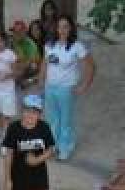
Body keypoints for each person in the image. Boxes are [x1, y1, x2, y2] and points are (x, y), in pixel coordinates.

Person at [40, 15, 96, 161]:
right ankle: (53, 146)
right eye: (60, 26)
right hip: (50, 87)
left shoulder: (77, 46)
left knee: (66, 120)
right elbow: (44, 64)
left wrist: (84, 86)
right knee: (52, 119)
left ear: (70, 28)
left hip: (67, 88)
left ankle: (65, 147)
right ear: (56, 28)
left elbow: (91, 66)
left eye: (66, 26)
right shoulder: (50, 45)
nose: (62, 30)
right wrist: (41, 83)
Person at [10, 19, 42, 93]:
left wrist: (18, 65)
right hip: (14, 79)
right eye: (15, 31)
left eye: (19, 31)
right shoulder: (10, 42)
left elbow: (31, 64)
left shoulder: (31, 44)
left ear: (25, 32)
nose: (16, 33)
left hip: (29, 79)